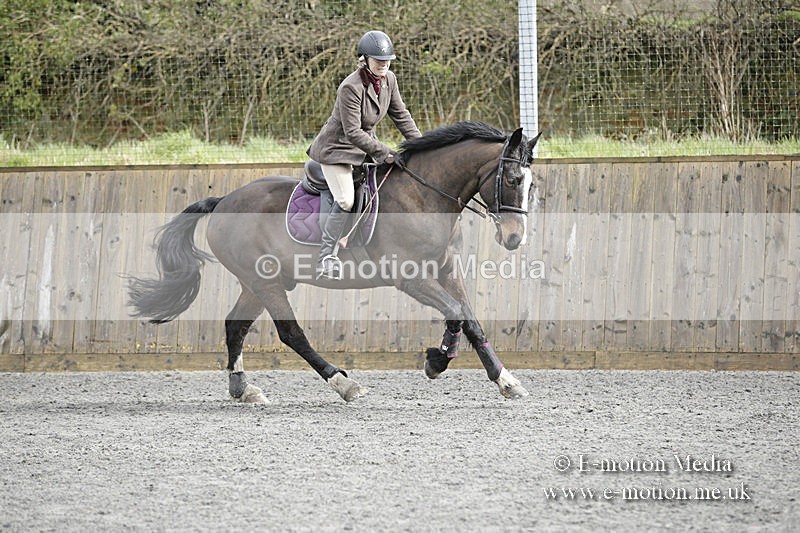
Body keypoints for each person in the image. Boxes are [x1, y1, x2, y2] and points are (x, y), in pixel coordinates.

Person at [307, 30, 421, 280]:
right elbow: (352, 132)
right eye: (379, 60)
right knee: (346, 199)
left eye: (388, 60)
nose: (384, 64)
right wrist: (385, 152)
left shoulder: (389, 79)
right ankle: (327, 256)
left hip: (364, 148)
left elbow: (401, 115)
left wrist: (422, 146)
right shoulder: (351, 87)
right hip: (336, 150)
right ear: (364, 59)